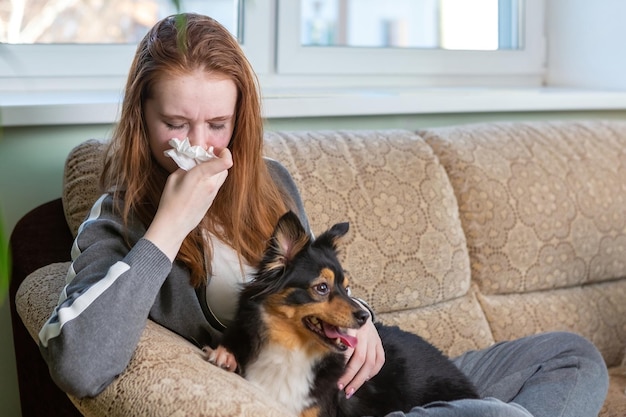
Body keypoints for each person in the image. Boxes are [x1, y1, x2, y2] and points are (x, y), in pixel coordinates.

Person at [38, 13, 609, 417]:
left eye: (218, 125)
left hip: (376, 380)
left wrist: (365, 326)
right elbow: (80, 365)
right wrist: (168, 227)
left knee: (573, 357)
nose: (202, 145)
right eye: (176, 124)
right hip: (316, 399)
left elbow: (322, 283)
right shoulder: (119, 218)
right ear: (142, 117)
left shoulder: (271, 183)